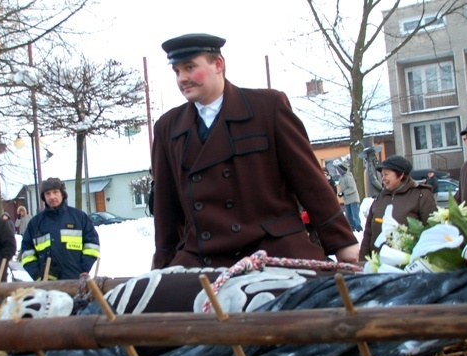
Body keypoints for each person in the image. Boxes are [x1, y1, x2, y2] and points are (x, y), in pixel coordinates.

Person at [151, 33, 358, 269]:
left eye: (190, 67)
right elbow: (165, 208)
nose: (182, 79)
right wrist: (163, 262)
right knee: (159, 299)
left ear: (218, 64)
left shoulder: (267, 107)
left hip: (274, 248)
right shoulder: (168, 127)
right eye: (177, 71)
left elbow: (309, 180)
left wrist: (342, 241)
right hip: (205, 254)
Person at [20, 177, 100, 281]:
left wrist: (83, 269)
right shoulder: (35, 223)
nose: (52, 197)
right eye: (48, 193)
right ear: (44, 197)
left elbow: (92, 245)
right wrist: (37, 275)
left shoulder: (79, 218)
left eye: (55, 192)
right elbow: (27, 253)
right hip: (47, 285)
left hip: (75, 281)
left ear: (62, 194)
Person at [360, 155, 437, 259]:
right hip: (379, 264)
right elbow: (368, 233)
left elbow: (432, 230)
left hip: (409, 264)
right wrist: (363, 261)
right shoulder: (381, 198)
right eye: (382, 175)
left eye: (386, 175)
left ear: (401, 175)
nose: (383, 179)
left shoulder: (421, 195)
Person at [334, 161, 363, 232]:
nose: (336, 171)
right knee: (348, 215)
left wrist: (343, 193)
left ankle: (358, 227)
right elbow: (344, 189)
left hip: (353, 199)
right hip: (347, 200)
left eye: (337, 170)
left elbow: (352, 188)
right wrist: (341, 193)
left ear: (341, 170)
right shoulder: (341, 178)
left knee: (355, 214)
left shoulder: (348, 177)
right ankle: (351, 228)